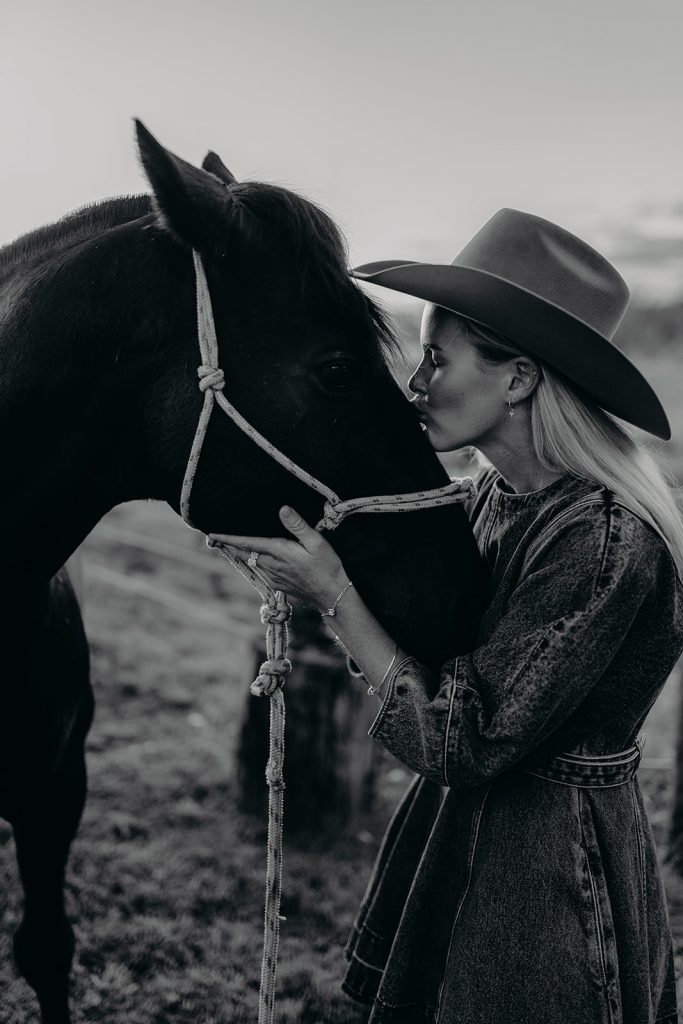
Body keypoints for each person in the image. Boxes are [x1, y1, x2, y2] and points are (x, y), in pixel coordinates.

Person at [209, 208, 683, 1024]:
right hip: (459, 834)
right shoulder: (495, 494)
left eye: (435, 358)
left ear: (519, 378)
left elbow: (465, 741)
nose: (416, 385)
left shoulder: (602, 540)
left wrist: (336, 596)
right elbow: (439, 651)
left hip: (547, 870)